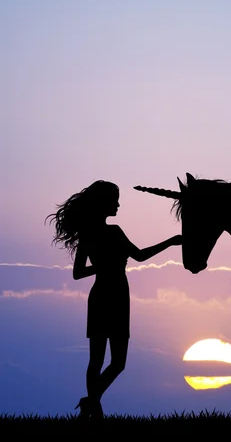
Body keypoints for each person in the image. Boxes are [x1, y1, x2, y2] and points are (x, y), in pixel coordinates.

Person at [45, 180, 182, 421]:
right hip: (103, 296)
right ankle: (94, 409)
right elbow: (77, 273)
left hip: (120, 297)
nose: (118, 205)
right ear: (102, 204)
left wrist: (169, 242)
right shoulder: (91, 235)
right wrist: (103, 267)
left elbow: (139, 256)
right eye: (114, 200)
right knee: (96, 359)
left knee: (118, 362)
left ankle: (90, 401)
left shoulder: (115, 231)